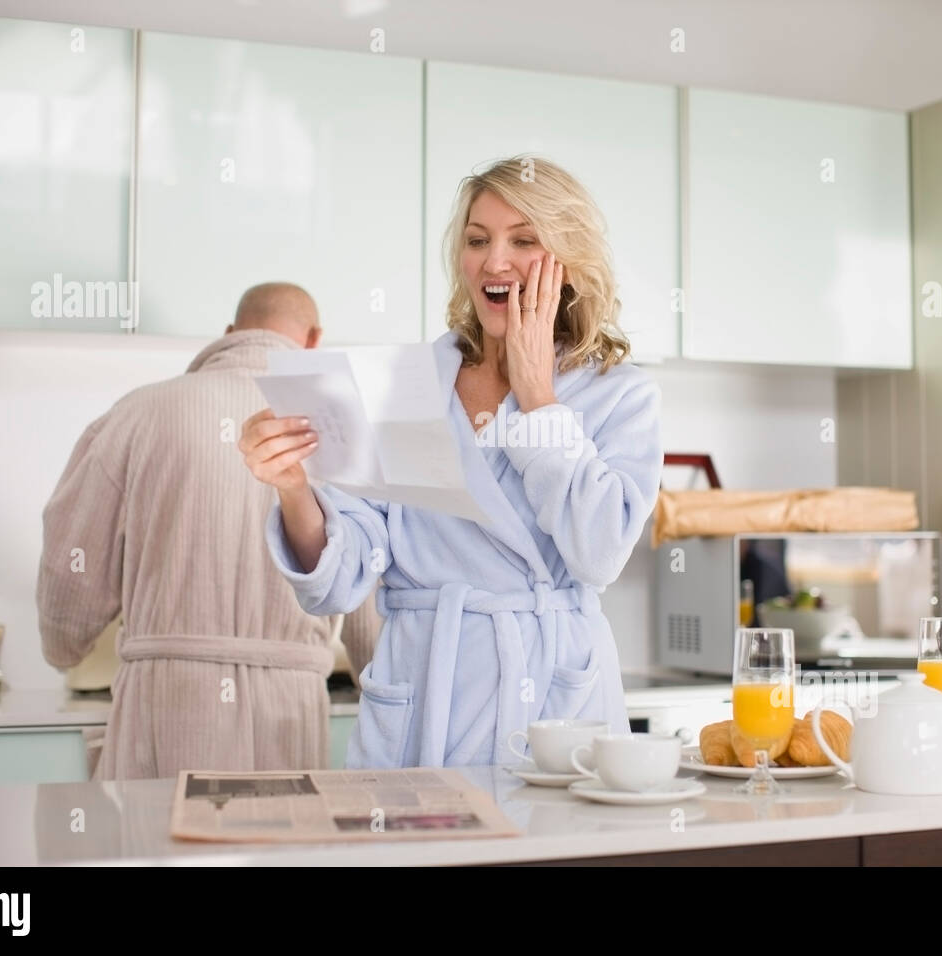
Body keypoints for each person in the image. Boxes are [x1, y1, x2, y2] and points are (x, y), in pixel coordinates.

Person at [240, 157, 663, 768]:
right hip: (424, 695)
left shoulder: (617, 394)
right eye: (476, 240)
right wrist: (293, 489)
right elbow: (339, 579)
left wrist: (538, 397)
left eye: (522, 240)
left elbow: (598, 553)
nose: (494, 261)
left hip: (552, 699)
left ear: (567, 261)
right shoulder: (410, 384)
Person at [37, 283, 382, 779]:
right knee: (273, 850)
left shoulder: (138, 412)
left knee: (160, 847)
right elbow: (367, 602)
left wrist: (61, 647)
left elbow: (70, 562)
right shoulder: (340, 435)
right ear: (314, 341)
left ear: (229, 334)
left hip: (163, 702)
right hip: (288, 711)